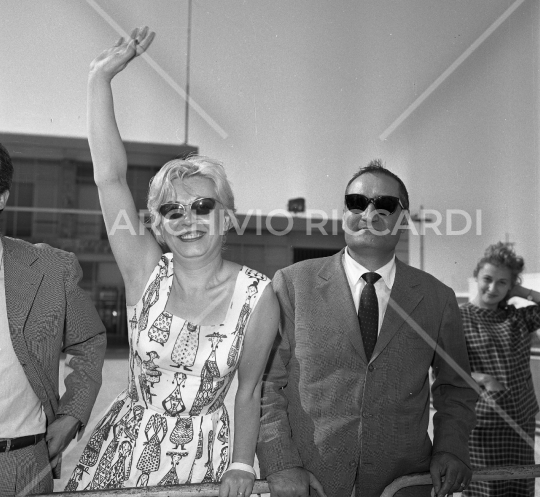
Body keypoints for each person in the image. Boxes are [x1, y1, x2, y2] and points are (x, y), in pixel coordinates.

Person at [66, 27, 278, 496]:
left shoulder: (259, 295)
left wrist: (243, 464)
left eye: (204, 207)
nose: (189, 220)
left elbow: (249, 390)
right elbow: (109, 178)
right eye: (172, 210)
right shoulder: (144, 272)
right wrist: (99, 79)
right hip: (125, 452)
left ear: (227, 217)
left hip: (209, 462)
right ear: (157, 226)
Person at [257, 160, 478, 497]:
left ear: (402, 219)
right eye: (357, 202)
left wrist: (450, 448)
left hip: (403, 485)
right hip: (308, 485)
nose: (369, 213)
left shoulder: (437, 298)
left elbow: (456, 387)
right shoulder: (292, 285)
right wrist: (280, 463)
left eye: (385, 205)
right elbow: (266, 384)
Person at [0, 143, 106, 495]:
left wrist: (72, 414)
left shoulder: (49, 270)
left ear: (2, 196)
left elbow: (89, 341)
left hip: (21, 464)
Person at [460, 242, 539, 497]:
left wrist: (523, 291)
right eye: (487, 279)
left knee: (520, 486)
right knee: (486, 489)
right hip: (482, 424)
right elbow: (443, 369)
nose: (492, 288)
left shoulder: (518, 317)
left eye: (502, 283)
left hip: (521, 419)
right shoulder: (458, 318)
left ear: (510, 286)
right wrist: (484, 379)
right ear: (476, 277)